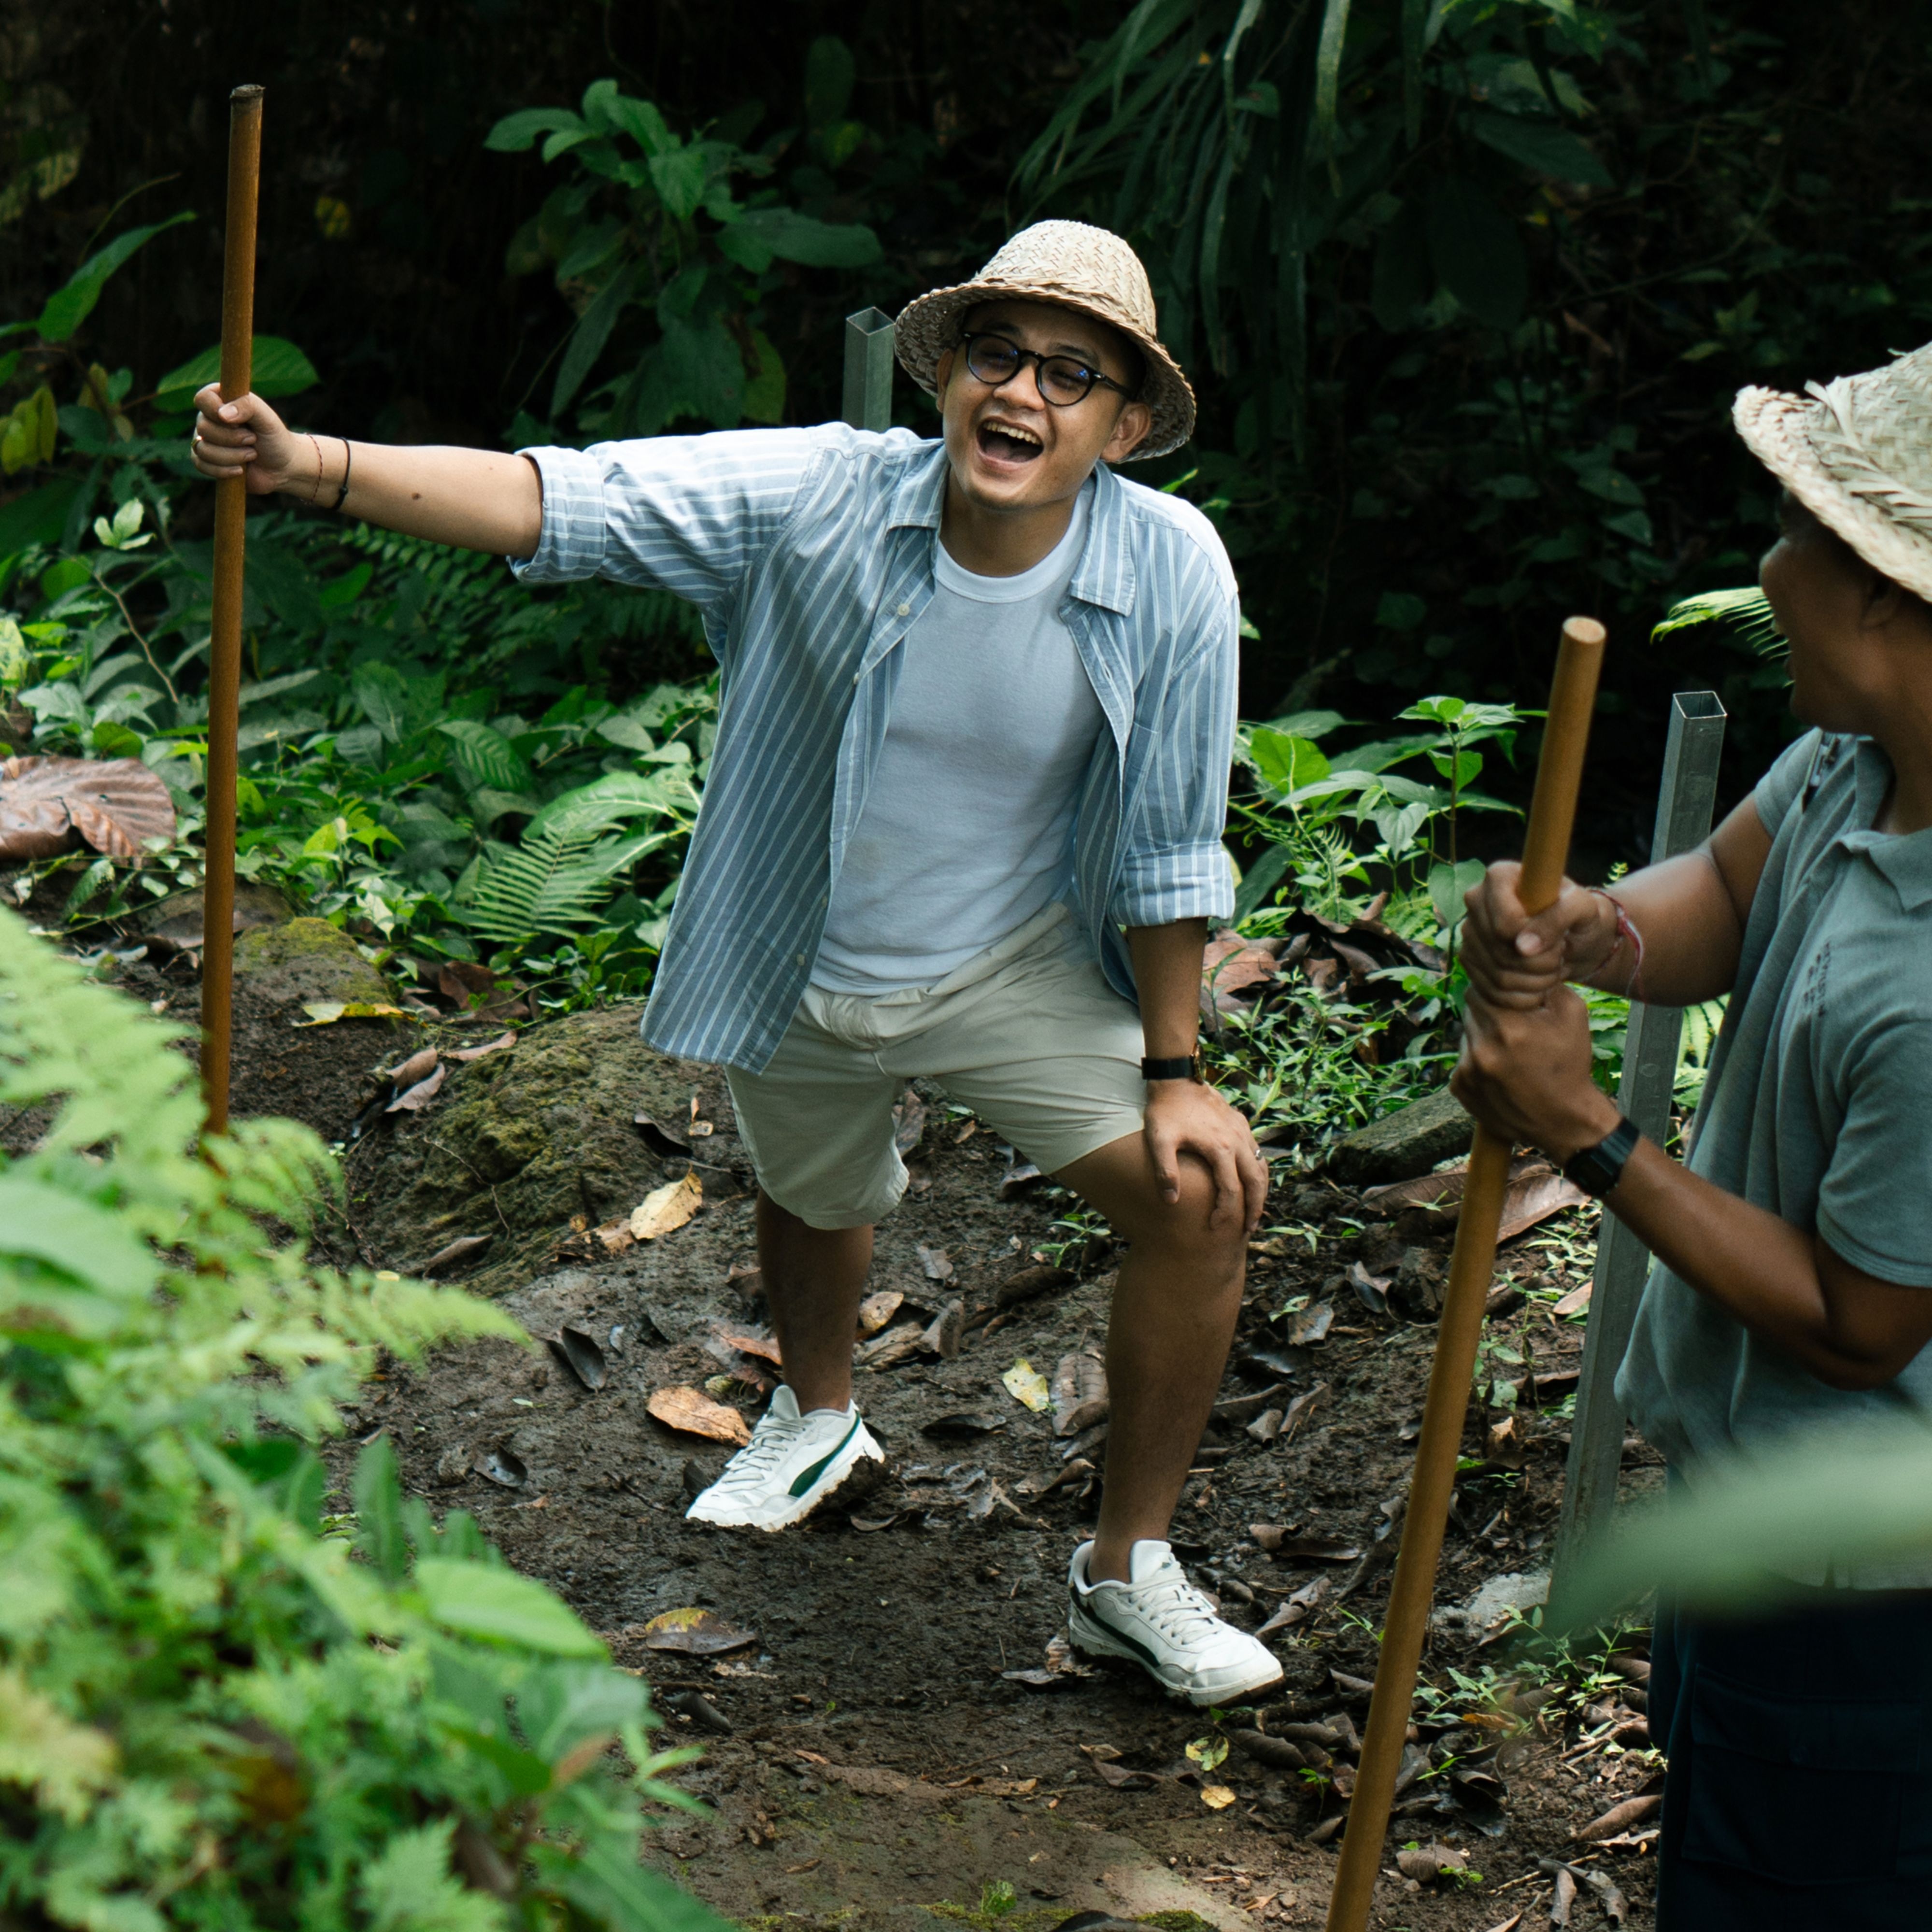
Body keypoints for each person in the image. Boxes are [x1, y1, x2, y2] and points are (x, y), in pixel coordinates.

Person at [191, 219, 1282, 1706]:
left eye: (1072, 375)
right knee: (817, 1190)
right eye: (997, 355)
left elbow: (1170, 840)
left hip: (1018, 964)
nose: (1022, 395)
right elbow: (557, 502)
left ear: (1125, 422)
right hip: (801, 938)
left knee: (1200, 1200)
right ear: (951, 376)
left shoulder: (1172, 571)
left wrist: (1174, 1070)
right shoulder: (824, 497)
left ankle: (1122, 1571)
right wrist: (309, 464)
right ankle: (820, 1416)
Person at [1451, 341, 1932, 1927]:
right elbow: (1726, 892)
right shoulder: (1862, 764)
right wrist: (1580, 932)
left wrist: (1586, 1133)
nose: (1767, 567)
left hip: (1868, 1592)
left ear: (1893, 597)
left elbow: (1861, 1328)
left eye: (1801, 537)